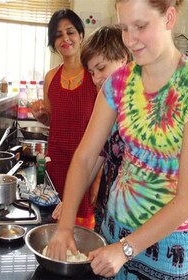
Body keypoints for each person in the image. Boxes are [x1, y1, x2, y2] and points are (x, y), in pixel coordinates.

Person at [45, 0, 188, 279]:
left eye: (140, 26)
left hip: (166, 247)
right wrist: (65, 227)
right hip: (112, 231)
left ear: (169, 18)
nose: (130, 40)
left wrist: (125, 249)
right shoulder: (118, 82)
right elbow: (85, 156)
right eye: (123, 28)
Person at [52, 25, 131, 234]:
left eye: (101, 68)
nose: (96, 78)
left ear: (123, 58)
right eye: (92, 72)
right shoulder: (110, 105)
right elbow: (91, 158)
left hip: (137, 227)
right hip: (109, 217)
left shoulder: (140, 104)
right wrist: (70, 203)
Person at [30, 8, 97, 229]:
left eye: (70, 32)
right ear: (53, 42)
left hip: (87, 166)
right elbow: (52, 120)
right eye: (58, 35)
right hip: (56, 164)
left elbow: (104, 131)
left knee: (81, 230)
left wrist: (98, 179)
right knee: (52, 225)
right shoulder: (51, 77)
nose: (65, 39)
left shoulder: (94, 76)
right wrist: (42, 116)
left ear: (80, 35)